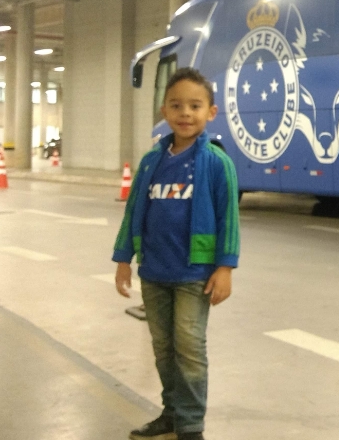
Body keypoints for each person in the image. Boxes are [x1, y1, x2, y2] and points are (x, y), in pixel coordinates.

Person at [112, 67, 240, 440]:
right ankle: (171, 414)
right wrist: (123, 259)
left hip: (194, 274)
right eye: (176, 105)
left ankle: (191, 425)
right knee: (163, 348)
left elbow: (229, 218)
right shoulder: (151, 162)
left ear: (211, 112)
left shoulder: (216, 162)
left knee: (189, 348)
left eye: (195, 106)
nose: (185, 113)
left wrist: (225, 267)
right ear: (164, 111)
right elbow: (134, 211)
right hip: (154, 271)